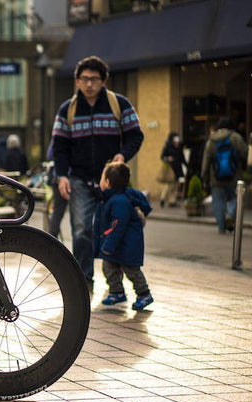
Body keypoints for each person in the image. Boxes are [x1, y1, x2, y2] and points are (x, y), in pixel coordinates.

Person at [52, 55, 144, 292]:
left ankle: (116, 284)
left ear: (103, 81)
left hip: (111, 181)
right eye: (84, 79)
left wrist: (123, 155)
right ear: (77, 81)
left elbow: (136, 135)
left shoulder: (119, 104)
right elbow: (59, 146)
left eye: (94, 79)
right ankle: (84, 281)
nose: (89, 84)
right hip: (79, 179)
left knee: (115, 228)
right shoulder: (67, 109)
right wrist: (62, 176)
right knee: (82, 229)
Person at [94, 162, 154, 311]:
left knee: (132, 271)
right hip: (118, 245)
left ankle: (144, 294)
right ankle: (117, 292)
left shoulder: (119, 201)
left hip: (126, 246)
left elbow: (118, 225)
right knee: (109, 267)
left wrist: (108, 246)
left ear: (108, 182)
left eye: (102, 178)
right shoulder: (112, 199)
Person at [200, 118, 248, 234]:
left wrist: (204, 177)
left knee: (218, 202)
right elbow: (245, 153)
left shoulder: (212, 139)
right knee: (234, 198)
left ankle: (221, 227)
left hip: (216, 177)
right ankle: (230, 214)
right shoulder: (236, 137)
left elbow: (206, 160)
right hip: (234, 176)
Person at [159, 131, 186, 207]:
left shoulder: (179, 147)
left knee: (176, 185)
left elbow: (182, 157)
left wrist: (186, 165)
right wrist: (167, 158)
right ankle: (163, 198)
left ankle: (172, 201)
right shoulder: (168, 147)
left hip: (178, 168)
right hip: (171, 169)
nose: (176, 140)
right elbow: (162, 157)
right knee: (170, 185)